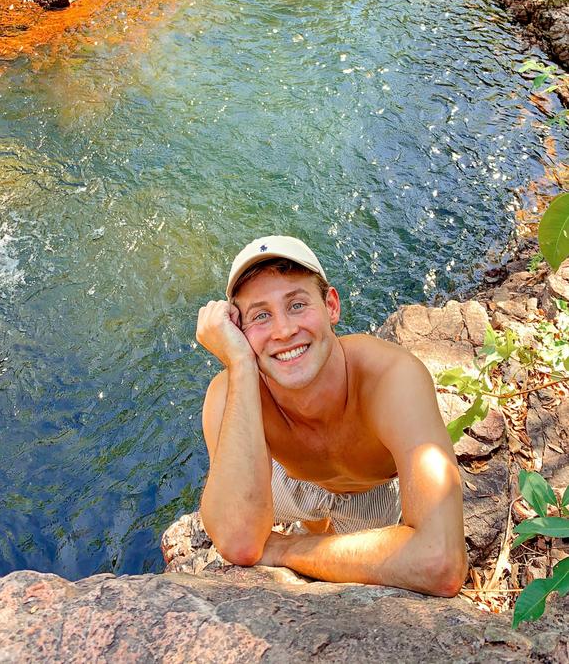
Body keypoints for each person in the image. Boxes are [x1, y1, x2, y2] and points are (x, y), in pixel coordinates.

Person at [196, 235, 468, 596]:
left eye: (296, 305)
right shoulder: (230, 390)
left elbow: (441, 563)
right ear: (239, 330)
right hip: (285, 479)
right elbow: (240, 541)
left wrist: (284, 548)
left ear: (332, 306)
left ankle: (311, 534)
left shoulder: (391, 378)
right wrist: (241, 365)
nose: (284, 330)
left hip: (367, 493)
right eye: (260, 316)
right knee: (299, 517)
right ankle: (312, 525)